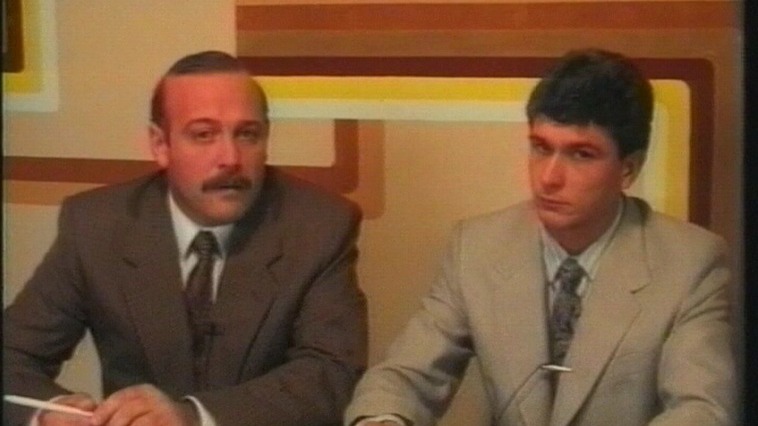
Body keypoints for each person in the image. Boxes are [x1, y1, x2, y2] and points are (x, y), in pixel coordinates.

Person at [344, 48, 737, 426]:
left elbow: (703, 410)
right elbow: (404, 377)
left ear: (628, 169)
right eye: (540, 148)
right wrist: (383, 418)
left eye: (581, 154)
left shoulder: (691, 264)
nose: (548, 178)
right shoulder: (477, 246)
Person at [3, 50, 368, 426]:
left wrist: (194, 416)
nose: (230, 158)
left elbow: (331, 373)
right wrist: (48, 412)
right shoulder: (97, 225)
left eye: (247, 134)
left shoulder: (319, 225)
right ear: (160, 145)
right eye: (204, 135)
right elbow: (12, 354)